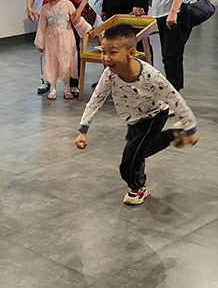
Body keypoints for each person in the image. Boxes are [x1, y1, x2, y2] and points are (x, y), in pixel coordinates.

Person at [74, 24, 199, 205]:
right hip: (133, 119)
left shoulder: (151, 76)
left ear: (131, 53)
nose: (106, 58)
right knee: (141, 151)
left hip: (154, 115)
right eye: (103, 52)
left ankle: (137, 188)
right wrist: (83, 130)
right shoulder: (109, 74)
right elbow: (96, 100)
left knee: (129, 161)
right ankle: (175, 134)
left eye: (113, 52)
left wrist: (191, 127)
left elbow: (175, 100)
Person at [35, 0, 92, 99]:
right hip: (51, 41)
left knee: (66, 63)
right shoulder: (45, 9)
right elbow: (41, 27)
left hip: (67, 39)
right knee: (52, 62)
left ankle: (67, 89)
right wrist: (40, 43)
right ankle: (53, 88)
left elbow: (76, 19)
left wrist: (87, 30)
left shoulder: (68, 5)